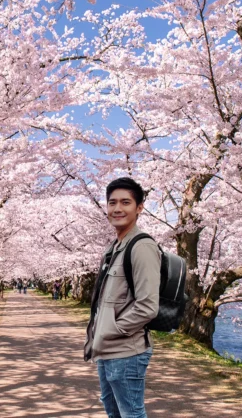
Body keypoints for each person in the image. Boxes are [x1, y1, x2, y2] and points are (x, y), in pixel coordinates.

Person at [83, 177, 160, 418]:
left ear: (139, 208)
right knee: (113, 410)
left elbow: (148, 306)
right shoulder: (114, 248)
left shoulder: (142, 247)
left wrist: (111, 329)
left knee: (131, 414)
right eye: (112, 202)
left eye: (125, 202)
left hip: (126, 351)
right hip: (106, 349)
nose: (117, 208)